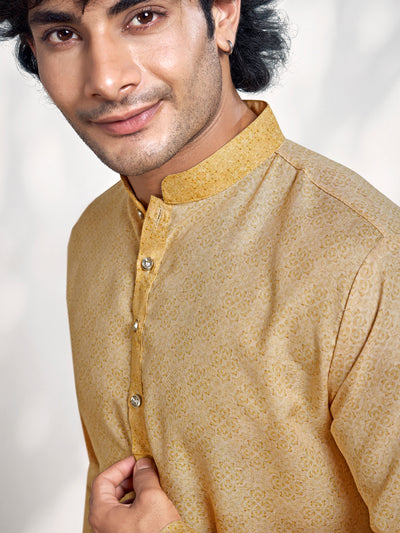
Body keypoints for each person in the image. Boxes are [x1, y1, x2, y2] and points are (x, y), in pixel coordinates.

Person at [1, 0, 400, 532]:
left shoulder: (365, 257)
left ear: (224, 14)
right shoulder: (92, 237)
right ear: (33, 48)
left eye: (144, 17)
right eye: (63, 34)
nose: (107, 80)